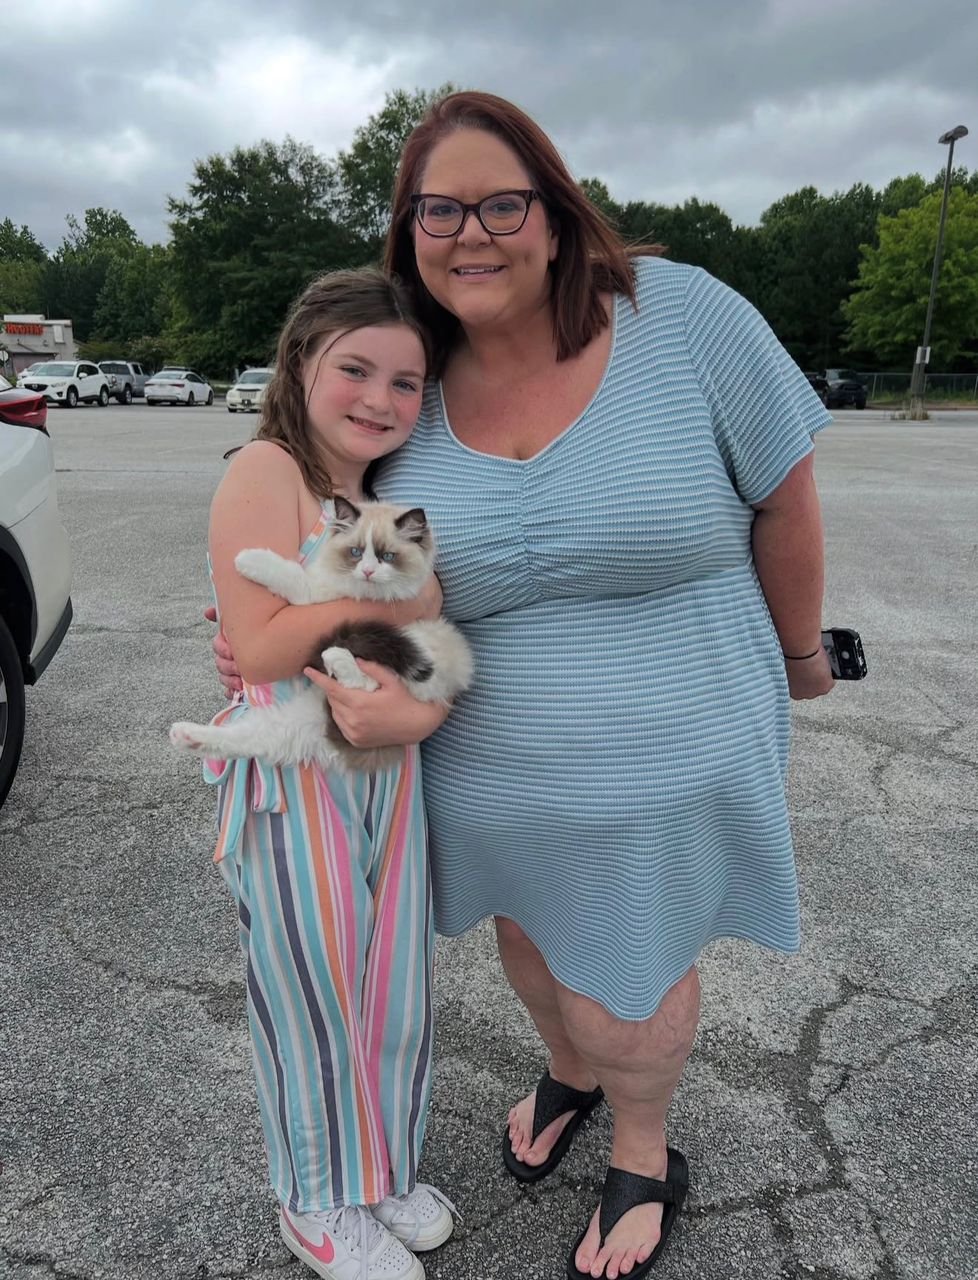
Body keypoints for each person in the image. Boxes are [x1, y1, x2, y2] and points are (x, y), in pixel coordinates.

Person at [214, 92, 835, 1280]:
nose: (472, 232)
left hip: (669, 738)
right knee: (532, 942)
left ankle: (643, 1147)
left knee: (629, 964)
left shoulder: (680, 313)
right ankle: (568, 1073)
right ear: (408, 232)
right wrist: (265, 633)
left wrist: (803, 655)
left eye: (502, 203)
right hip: (482, 752)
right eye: (438, 210)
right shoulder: (410, 377)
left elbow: (785, 495)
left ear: (555, 213)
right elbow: (348, 554)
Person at [195, 266, 456, 1280]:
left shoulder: (380, 495)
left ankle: (379, 1167)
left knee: (391, 985)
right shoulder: (268, 469)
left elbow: (414, 630)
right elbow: (262, 646)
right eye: (356, 368)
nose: (379, 398)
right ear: (302, 359)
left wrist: (386, 613)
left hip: (390, 770)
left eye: (406, 382)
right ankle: (313, 1196)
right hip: (297, 777)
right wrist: (400, 603)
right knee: (311, 988)